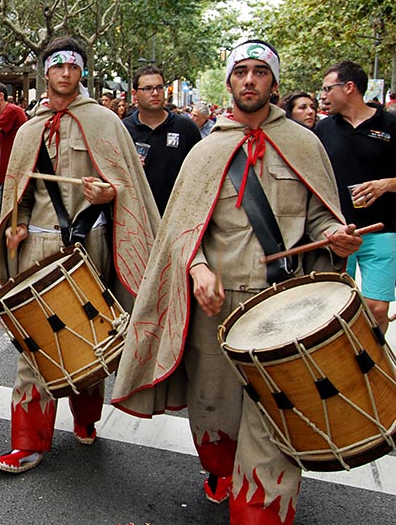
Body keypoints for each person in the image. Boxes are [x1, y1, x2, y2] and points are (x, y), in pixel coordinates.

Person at [112, 40, 361, 524]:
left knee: (274, 418)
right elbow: (182, 231)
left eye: (260, 72)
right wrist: (199, 269)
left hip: (284, 307)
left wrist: (334, 235)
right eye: (241, 72)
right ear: (229, 82)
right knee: (213, 409)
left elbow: (318, 220)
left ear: (274, 83)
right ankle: (221, 470)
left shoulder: (305, 145)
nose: (250, 80)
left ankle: (259, 510)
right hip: (217, 307)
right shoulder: (207, 151)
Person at [0, 38, 159, 473]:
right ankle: (27, 441)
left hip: (92, 246)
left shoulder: (105, 123)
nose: (65, 74)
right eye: (57, 66)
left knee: (91, 336)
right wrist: (17, 223)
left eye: (73, 67)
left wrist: (110, 191)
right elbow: (19, 193)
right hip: (38, 247)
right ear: (46, 71)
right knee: (34, 346)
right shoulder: (28, 130)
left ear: (82, 72)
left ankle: (85, 417)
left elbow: (127, 186)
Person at [314, 60, 396, 332]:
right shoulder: (322, 130)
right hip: (337, 234)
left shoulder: (390, 124)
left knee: (377, 308)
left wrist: (385, 185)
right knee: (335, 308)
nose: (323, 96)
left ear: (349, 87)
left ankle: (375, 364)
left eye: (327, 88)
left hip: (383, 229)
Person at [122, 65, 201, 214]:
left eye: (159, 87)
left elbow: (200, 172)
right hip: (136, 215)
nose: (155, 93)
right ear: (134, 94)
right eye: (147, 88)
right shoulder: (123, 129)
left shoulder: (185, 127)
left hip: (177, 215)